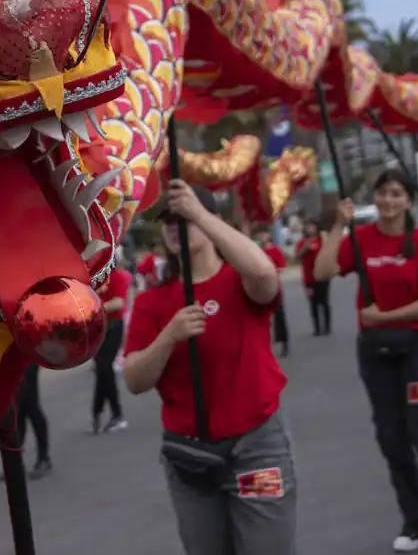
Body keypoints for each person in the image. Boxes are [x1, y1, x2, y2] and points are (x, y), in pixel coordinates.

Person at [124, 180, 294, 555]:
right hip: (191, 457)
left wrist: (197, 212)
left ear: (210, 220)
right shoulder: (154, 301)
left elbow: (265, 275)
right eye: (168, 220)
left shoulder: (239, 281)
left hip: (256, 447)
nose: (174, 226)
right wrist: (169, 336)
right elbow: (134, 379)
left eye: (182, 217)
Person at [313, 170, 418, 554]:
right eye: (382, 193)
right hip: (375, 352)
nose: (388, 201)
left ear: (408, 200)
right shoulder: (361, 240)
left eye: (396, 194)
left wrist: (383, 316)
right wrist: (338, 225)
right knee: (392, 437)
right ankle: (416, 523)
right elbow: (322, 272)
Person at [93, 261, 130, 434]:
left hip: (113, 326)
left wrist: (93, 309)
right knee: (101, 370)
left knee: (104, 367)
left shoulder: (118, 277)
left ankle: (117, 414)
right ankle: (97, 411)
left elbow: (119, 302)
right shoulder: (94, 280)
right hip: (97, 328)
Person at [256, 228, 290, 357]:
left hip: (275, 288)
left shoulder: (275, 250)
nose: (262, 236)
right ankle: (265, 345)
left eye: (264, 233)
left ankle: (284, 342)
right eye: (259, 234)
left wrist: (269, 272)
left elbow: (281, 268)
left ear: (268, 235)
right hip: (260, 289)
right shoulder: (257, 251)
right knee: (262, 318)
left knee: (280, 317)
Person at [296, 220, 331, 336]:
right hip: (309, 278)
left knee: (324, 301)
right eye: (308, 227)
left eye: (312, 226)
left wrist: (324, 237)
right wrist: (305, 248)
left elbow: (328, 251)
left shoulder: (322, 239)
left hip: (322, 276)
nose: (310, 228)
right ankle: (317, 328)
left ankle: (327, 326)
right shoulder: (302, 242)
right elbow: (298, 256)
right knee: (313, 303)